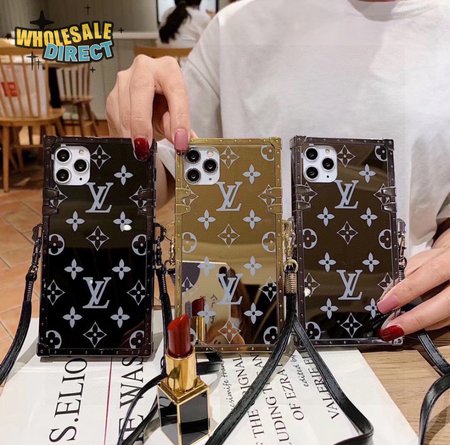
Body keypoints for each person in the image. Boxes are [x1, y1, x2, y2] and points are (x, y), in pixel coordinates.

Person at [106, 0, 450, 340]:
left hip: (414, 329)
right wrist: (131, 141)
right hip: (246, 324)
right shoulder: (236, 28)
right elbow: (166, 176)